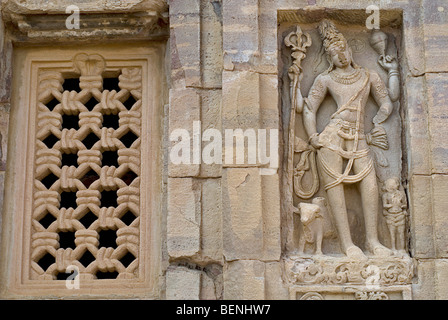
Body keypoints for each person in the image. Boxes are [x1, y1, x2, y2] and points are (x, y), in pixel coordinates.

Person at [297, 20, 399, 259]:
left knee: (370, 182)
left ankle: (373, 241)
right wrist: (313, 137)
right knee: (335, 185)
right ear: (329, 57)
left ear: (350, 50)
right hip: (332, 136)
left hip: (359, 135)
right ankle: (347, 245)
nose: (341, 56)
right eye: (335, 53)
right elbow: (310, 108)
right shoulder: (325, 79)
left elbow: (387, 101)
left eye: (343, 49)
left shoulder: (369, 76)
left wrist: (378, 121)